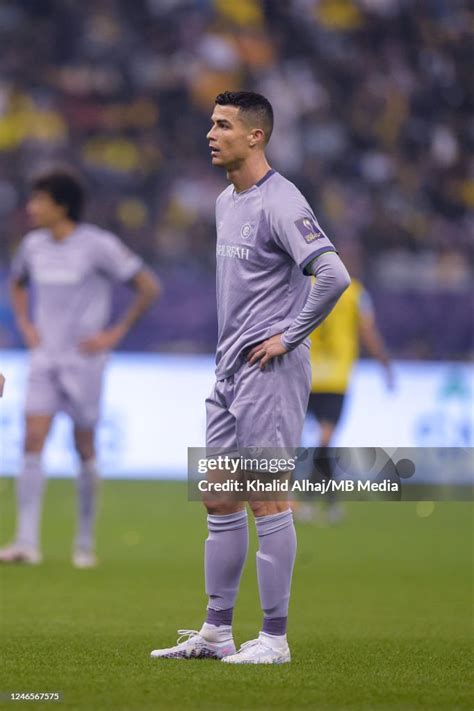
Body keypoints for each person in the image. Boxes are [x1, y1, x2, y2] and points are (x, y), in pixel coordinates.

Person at [150, 91, 350, 664]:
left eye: (224, 125)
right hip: (229, 369)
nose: (211, 133)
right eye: (212, 124)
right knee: (218, 498)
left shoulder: (282, 201)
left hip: (271, 369)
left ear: (255, 136)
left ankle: (275, 639)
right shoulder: (224, 201)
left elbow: (333, 274)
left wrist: (290, 334)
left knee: (267, 497)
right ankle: (216, 632)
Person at [0, 170, 159, 567]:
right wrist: (26, 324)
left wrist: (114, 334)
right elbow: (17, 284)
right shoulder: (33, 246)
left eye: (39, 201)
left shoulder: (98, 245)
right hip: (44, 359)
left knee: (83, 446)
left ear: (61, 205)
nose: (31, 208)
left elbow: (147, 286)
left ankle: (84, 543)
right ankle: (25, 541)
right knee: (31, 440)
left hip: (84, 361)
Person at [298, 274, 393, 524]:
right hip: (335, 378)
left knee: (314, 441)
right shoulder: (355, 292)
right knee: (324, 441)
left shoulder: (302, 285)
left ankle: (314, 501)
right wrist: (385, 364)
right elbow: (367, 331)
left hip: (305, 374)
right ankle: (319, 501)